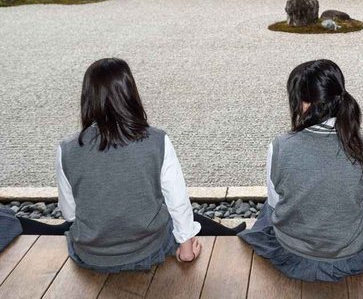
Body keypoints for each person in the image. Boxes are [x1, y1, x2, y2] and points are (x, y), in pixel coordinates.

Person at [56, 58, 243, 273]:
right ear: (130, 93)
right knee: (168, 213)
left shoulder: (67, 149)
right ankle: (227, 234)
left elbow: (70, 213)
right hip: (148, 249)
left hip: (91, 255)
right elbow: (177, 200)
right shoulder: (156, 140)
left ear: (87, 97)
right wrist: (186, 249)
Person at [239, 59, 363, 282]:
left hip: (292, 248)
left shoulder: (280, 146)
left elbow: (276, 204)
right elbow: (361, 203)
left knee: (268, 211)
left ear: (304, 103)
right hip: (348, 251)